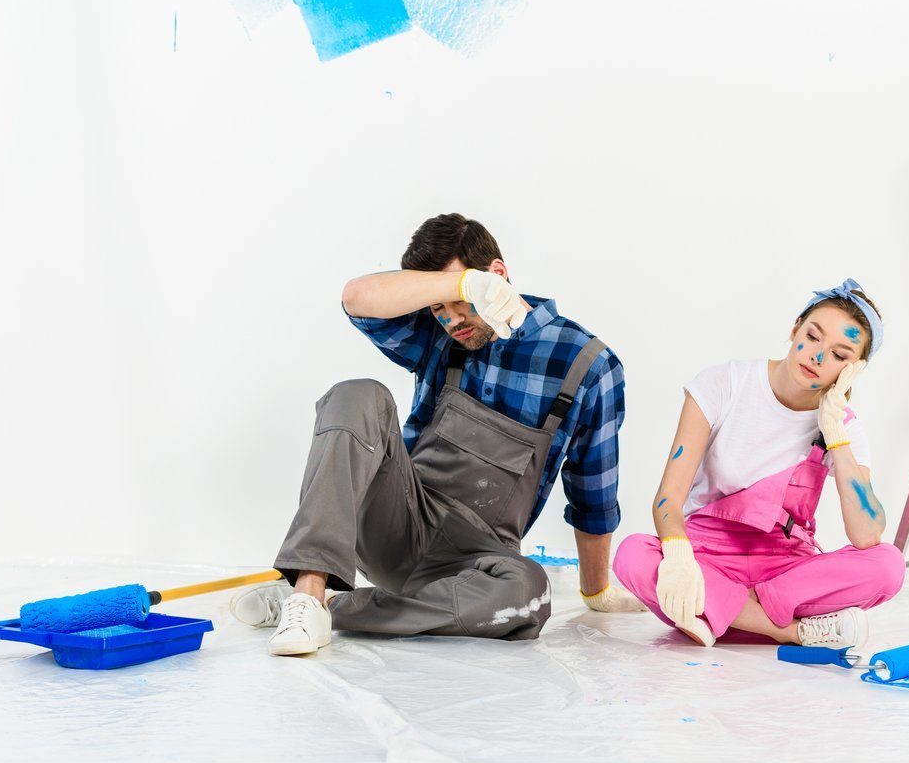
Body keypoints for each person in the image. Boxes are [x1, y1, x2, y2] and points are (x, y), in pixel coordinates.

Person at [231, 213, 645, 655]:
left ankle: (333, 607)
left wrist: (596, 591)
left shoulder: (587, 364)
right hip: (399, 523)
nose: (450, 320)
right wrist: (461, 287)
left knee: (529, 591)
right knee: (357, 394)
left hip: (476, 559)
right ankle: (308, 592)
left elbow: (592, 494)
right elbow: (355, 298)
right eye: (438, 307)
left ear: (498, 274)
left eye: (459, 302)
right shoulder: (436, 338)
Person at [612, 279, 904, 648]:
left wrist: (834, 431)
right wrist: (679, 559)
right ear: (795, 329)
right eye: (813, 336)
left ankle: (719, 612)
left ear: (854, 369)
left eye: (839, 355)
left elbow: (866, 535)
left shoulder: (844, 428)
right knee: (632, 555)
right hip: (706, 557)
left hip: (784, 569)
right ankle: (789, 630)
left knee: (889, 565)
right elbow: (667, 499)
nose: (817, 357)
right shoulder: (724, 384)